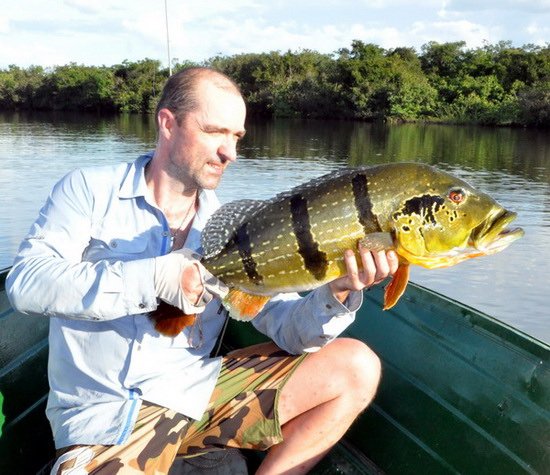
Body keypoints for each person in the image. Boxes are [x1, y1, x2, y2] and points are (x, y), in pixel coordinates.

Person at [6, 67, 398, 474]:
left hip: (195, 396)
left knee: (356, 367)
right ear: (168, 123)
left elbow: (289, 329)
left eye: (237, 137)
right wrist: (156, 278)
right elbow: (26, 283)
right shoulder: (88, 190)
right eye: (215, 131)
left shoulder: (234, 231)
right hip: (103, 419)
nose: (230, 152)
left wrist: (336, 292)